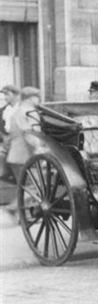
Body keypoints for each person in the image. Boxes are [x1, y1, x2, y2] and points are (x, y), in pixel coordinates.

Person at [3, 87, 42, 218]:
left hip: (15, 155)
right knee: (33, 186)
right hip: (24, 155)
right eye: (37, 97)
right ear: (31, 98)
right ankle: (13, 208)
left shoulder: (17, 111)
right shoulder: (29, 112)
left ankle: (25, 216)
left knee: (24, 185)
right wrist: (39, 147)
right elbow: (29, 133)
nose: (39, 100)